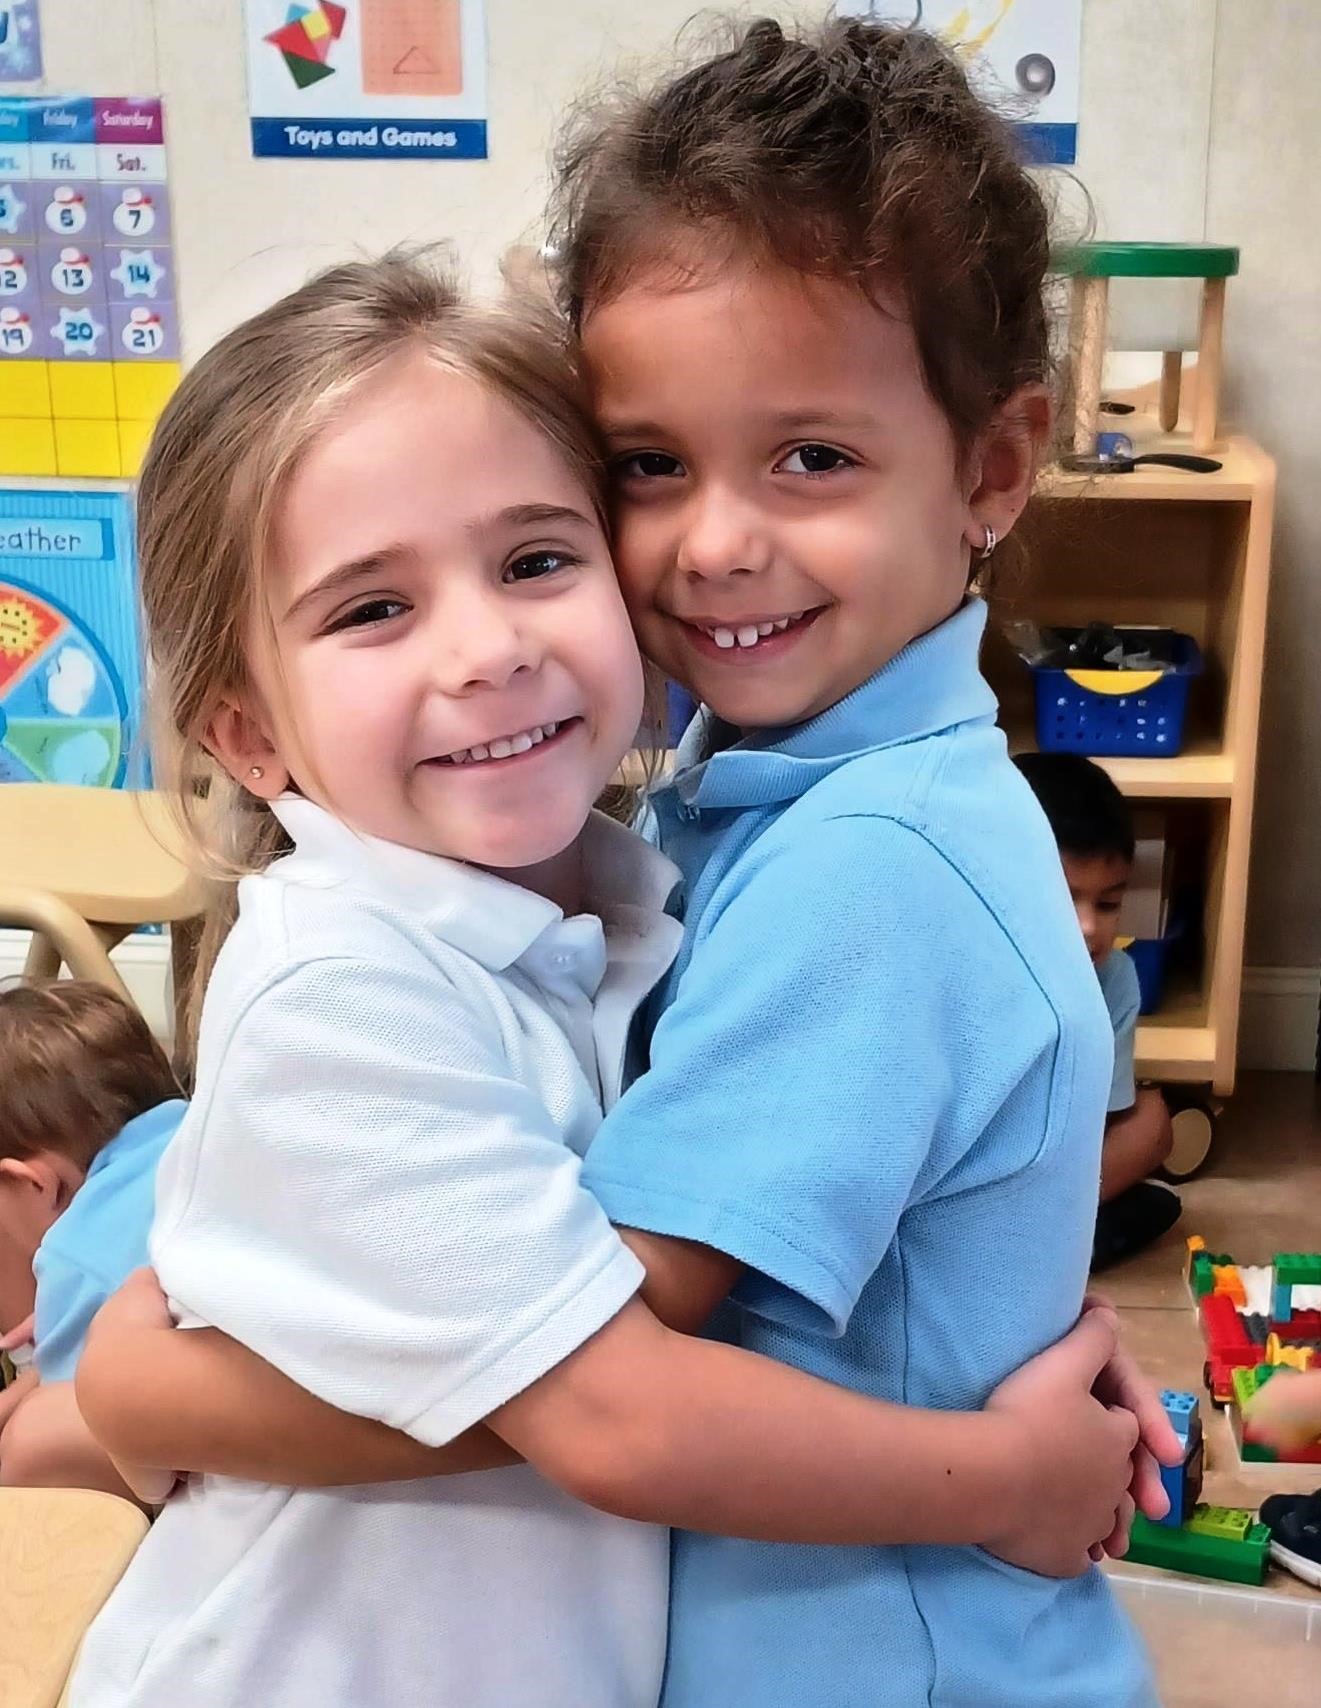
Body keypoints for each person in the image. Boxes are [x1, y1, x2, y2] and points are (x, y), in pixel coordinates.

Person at [66, 252, 1147, 1708]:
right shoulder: (339, 986)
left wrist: (144, 1386)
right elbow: (611, 1408)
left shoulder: (630, 893)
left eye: (532, 559)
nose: (489, 647)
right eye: (370, 609)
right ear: (251, 735)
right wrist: (1000, 1477)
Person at [0, 980, 184, 1497]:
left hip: (237, 1451)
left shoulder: (75, 1255)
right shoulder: (193, 1131)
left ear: (34, 1183)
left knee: (32, 1444)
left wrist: (37, 1370)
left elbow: (80, 1403)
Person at [1013, 752, 1182, 1270]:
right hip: (966, 1178)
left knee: (1152, 1124)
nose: (1089, 928)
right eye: (1066, 902)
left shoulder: (1115, 978)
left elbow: (1106, 1117)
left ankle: (1031, 1239)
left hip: (1055, 1167)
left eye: (1107, 905)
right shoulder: (970, 967)